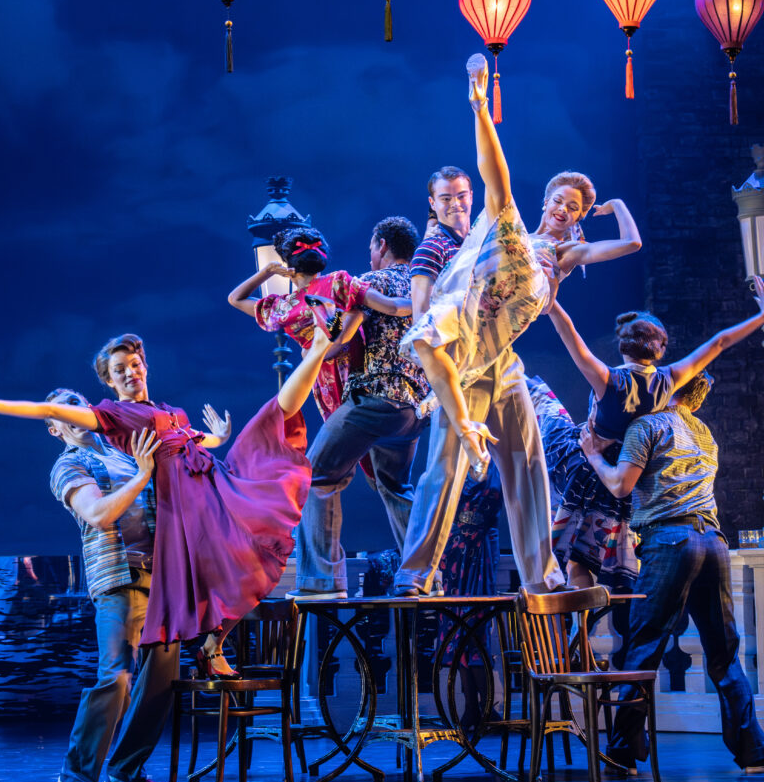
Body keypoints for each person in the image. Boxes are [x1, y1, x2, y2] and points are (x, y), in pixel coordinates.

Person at [393, 55, 641, 596]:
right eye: (555, 199)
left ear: (577, 215)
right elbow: (496, 179)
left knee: (530, 465)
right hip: (466, 360)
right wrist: (480, 105)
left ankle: (543, 576)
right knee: (445, 468)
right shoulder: (514, 238)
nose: (559, 208)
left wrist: (611, 207)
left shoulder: (569, 253)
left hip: (503, 360)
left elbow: (631, 243)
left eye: (570, 205)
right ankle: (414, 575)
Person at [0, 325, 333, 677]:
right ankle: (317, 348)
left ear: (145, 366)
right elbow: (51, 410)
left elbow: (191, 439)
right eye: (119, 369)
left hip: (210, 482)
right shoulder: (113, 416)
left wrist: (218, 437)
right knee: (232, 558)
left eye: (134, 364)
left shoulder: (168, 410)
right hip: (184, 502)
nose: (130, 372)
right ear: (107, 380)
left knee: (252, 545)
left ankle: (213, 644)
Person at [581, 372, 764, 775]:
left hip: (670, 540)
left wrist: (594, 455)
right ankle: (753, 752)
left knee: (644, 648)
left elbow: (620, 486)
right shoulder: (705, 433)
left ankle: (621, 753)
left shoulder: (647, 425)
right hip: (713, 543)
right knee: (724, 653)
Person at [548, 280, 764, 587]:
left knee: (538, 400)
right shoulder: (669, 379)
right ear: (660, 349)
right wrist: (761, 316)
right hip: (627, 472)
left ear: (623, 344)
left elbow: (569, 335)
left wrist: (551, 300)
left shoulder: (608, 379)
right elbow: (719, 342)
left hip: (591, 469)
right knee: (590, 559)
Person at [44, 388, 175, 782]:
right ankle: (73, 778)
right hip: (119, 578)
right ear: (55, 427)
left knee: (161, 679)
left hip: (160, 578)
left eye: (80, 405)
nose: (76, 413)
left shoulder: (121, 450)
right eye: (66, 411)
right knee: (116, 675)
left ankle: (124, 770)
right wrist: (141, 475)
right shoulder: (69, 464)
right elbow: (99, 513)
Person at [292, 216, 430, 599]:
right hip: (413, 412)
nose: (370, 255)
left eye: (372, 247)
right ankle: (421, 576)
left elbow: (338, 336)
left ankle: (322, 582)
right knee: (395, 486)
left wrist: (313, 341)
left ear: (382, 245)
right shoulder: (424, 287)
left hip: (374, 398)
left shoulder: (370, 283)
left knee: (315, 476)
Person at [227, 226, 411, 422]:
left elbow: (235, 299)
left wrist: (268, 271)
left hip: (322, 379)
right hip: (361, 374)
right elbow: (392, 307)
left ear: (288, 264)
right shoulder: (338, 282)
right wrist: (429, 302)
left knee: (341, 440)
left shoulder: (285, 308)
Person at [526, 376, 638, 592]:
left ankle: (584, 621)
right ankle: (585, 622)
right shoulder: (635, 414)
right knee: (578, 562)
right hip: (606, 474)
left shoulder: (610, 390)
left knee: (576, 562)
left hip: (592, 470)